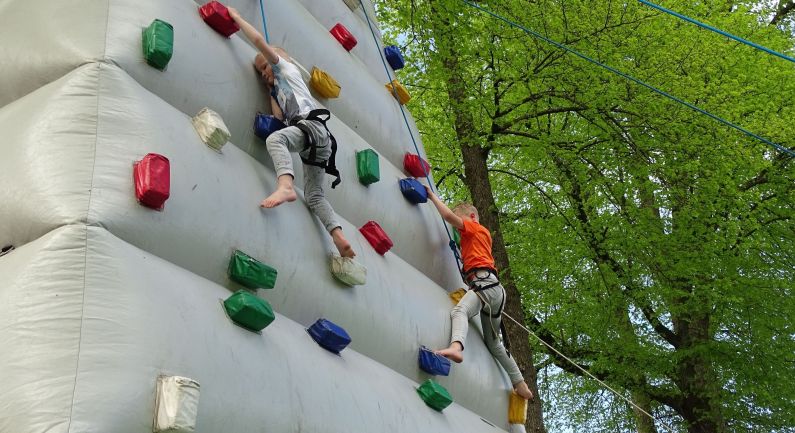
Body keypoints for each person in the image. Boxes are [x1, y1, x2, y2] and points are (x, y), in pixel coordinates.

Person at [228, 8, 354, 258]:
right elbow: (278, 118)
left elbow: (259, 42)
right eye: (261, 72)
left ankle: (285, 185)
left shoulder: (287, 70)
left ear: (278, 60)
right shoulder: (278, 89)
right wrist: (270, 91)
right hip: (315, 143)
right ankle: (338, 236)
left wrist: (237, 18)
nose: (265, 72)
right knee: (314, 195)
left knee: (276, 140)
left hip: (311, 127)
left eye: (266, 66)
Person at [426, 187, 533, 400]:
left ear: (472, 217)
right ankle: (520, 384)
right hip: (493, 290)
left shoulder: (475, 228)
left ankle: (456, 347)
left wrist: (431, 195)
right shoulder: (477, 238)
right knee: (494, 343)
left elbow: (447, 215)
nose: (458, 226)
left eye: (460, 220)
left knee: (459, 312)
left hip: (485, 285)